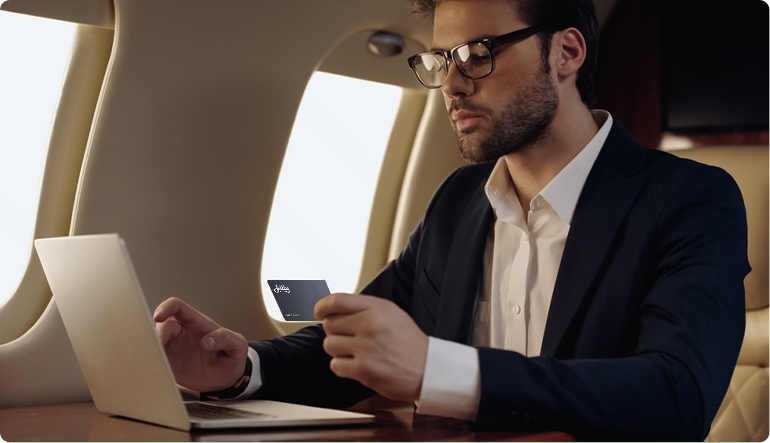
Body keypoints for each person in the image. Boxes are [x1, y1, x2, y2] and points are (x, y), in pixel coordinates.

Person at [153, 0, 750, 439]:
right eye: (441, 59)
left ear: (567, 52)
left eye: (478, 54)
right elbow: (365, 344)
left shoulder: (690, 199)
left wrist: (438, 370)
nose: (453, 84)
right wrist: (240, 369)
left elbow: (677, 396)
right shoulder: (460, 200)